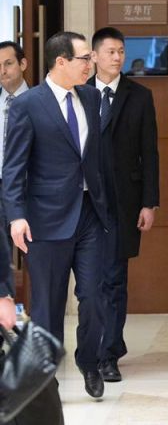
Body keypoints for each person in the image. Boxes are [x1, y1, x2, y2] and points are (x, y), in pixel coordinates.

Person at [3, 31, 109, 399]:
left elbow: (95, 158)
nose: (90, 64)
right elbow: (13, 166)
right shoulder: (28, 104)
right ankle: (46, 381)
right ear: (61, 62)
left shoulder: (91, 97)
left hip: (90, 214)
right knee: (48, 305)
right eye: (85, 58)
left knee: (95, 295)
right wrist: (16, 215)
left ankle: (89, 361)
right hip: (45, 219)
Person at [87, 27, 159, 383]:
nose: (117, 57)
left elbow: (150, 152)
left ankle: (108, 354)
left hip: (123, 202)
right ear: (94, 56)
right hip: (85, 203)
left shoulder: (140, 96)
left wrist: (149, 203)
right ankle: (99, 344)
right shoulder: (79, 93)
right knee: (92, 282)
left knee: (114, 278)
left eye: (121, 51)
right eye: (110, 51)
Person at [0, 41, 30, 294]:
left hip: (30, 187)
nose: (2, 70)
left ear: (23, 64)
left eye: (8, 63)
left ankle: (38, 310)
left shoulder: (41, 100)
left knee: (36, 253)